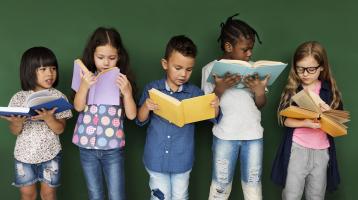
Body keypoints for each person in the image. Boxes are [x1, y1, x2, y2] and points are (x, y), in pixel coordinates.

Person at [136, 35, 220, 200]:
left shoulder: (195, 93)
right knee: (160, 197)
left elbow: (212, 117)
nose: (183, 74)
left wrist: (215, 107)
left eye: (189, 70)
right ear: (165, 64)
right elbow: (140, 119)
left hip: (182, 159)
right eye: (178, 68)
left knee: (180, 196)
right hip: (156, 158)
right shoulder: (153, 88)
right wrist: (146, 106)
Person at [201, 14, 269, 200]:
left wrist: (259, 91)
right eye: (245, 49)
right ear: (228, 47)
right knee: (220, 186)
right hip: (225, 136)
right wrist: (219, 90)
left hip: (254, 136)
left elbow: (261, 105)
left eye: (251, 49)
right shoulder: (210, 70)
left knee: (253, 186)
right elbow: (207, 111)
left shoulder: (255, 69)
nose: (249, 54)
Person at [271, 41, 343, 200]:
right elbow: (284, 120)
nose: (305, 74)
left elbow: (339, 124)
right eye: (300, 69)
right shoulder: (294, 89)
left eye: (311, 69)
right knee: (291, 194)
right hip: (297, 149)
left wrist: (328, 113)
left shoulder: (328, 91)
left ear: (321, 67)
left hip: (322, 151)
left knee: (316, 195)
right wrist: (306, 123)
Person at [72, 27, 137, 200]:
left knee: (117, 195)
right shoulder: (86, 77)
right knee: (95, 194)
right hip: (87, 146)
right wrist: (85, 86)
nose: (106, 63)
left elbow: (131, 115)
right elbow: (78, 107)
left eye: (112, 58)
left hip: (112, 148)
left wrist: (128, 93)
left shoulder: (121, 81)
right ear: (92, 55)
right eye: (100, 57)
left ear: (119, 56)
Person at [0, 47, 72, 200]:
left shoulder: (59, 97)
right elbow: (14, 131)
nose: (50, 73)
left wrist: (49, 118)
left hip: (50, 154)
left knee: (49, 194)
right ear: (29, 71)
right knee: (27, 194)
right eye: (43, 69)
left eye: (53, 68)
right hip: (24, 155)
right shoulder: (19, 98)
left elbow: (60, 129)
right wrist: (17, 123)